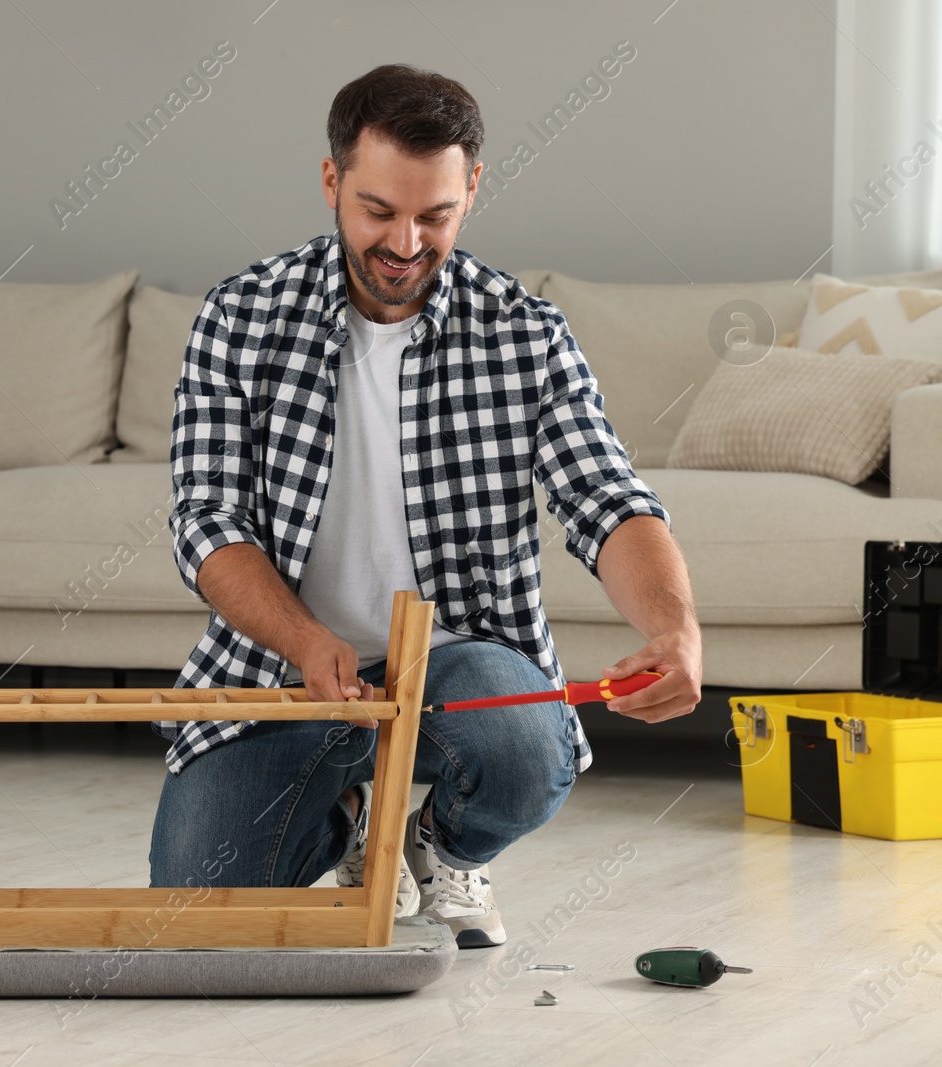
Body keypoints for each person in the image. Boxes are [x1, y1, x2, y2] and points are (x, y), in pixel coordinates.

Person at [146, 63, 703, 948]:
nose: (405, 241)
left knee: (523, 750)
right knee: (200, 899)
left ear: (472, 188)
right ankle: (354, 819)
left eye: (434, 215)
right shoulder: (239, 317)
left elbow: (605, 496)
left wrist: (676, 631)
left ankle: (439, 844)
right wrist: (303, 640)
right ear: (331, 181)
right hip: (285, 673)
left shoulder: (524, 333)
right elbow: (206, 521)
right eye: (378, 211)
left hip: (459, 675)